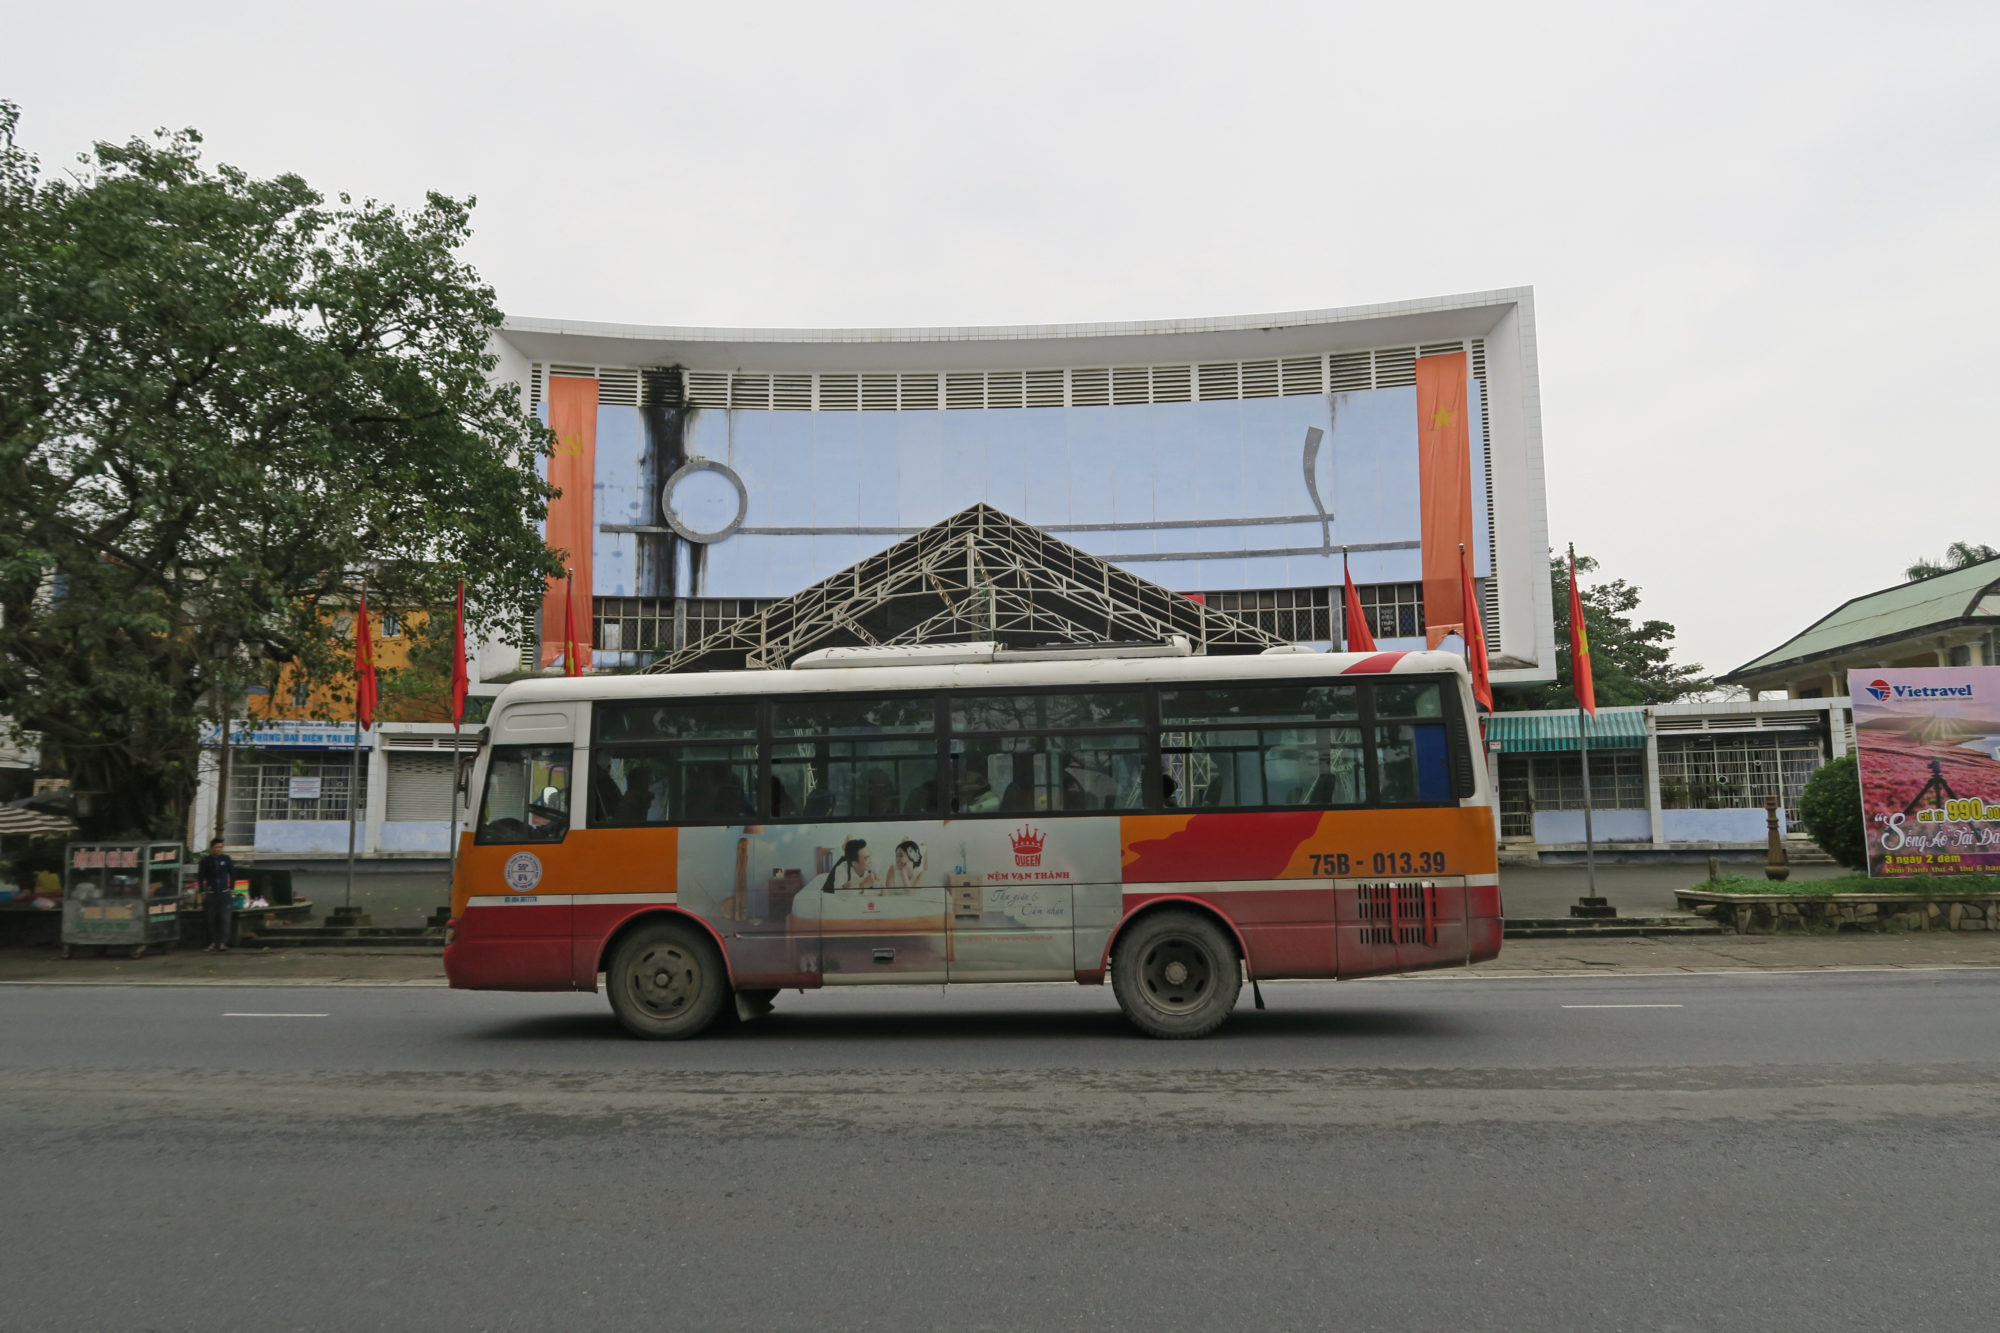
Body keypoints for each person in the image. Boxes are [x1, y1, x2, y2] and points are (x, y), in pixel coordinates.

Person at [197, 838, 236, 953]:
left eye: (220, 847)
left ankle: (223, 942)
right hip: (211, 893)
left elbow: (233, 873)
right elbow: (200, 876)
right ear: (212, 848)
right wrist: (202, 891)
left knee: (225, 918)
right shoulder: (206, 860)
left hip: (224, 893)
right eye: (216, 847)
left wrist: (232, 888)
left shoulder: (226, 859)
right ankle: (212, 942)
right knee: (210, 919)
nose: (218, 849)